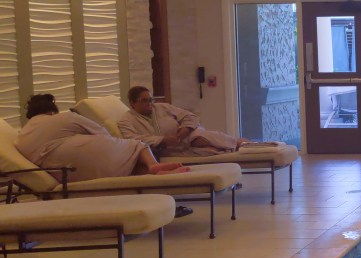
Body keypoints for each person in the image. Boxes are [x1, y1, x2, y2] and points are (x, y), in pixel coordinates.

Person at [15, 94, 190, 182]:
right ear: (51, 111)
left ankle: (152, 173)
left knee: (121, 160)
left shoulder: (21, 136)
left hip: (62, 173)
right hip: (88, 161)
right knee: (136, 145)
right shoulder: (64, 118)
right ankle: (153, 166)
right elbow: (102, 133)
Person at [118, 86, 248, 158]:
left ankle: (241, 144)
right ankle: (235, 149)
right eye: (144, 101)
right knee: (211, 151)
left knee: (200, 138)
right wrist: (162, 140)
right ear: (133, 103)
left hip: (188, 137)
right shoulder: (127, 120)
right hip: (167, 150)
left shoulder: (162, 107)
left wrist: (186, 129)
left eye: (151, 100)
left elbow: (190, 116)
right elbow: (132, 140)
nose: (150, 104)